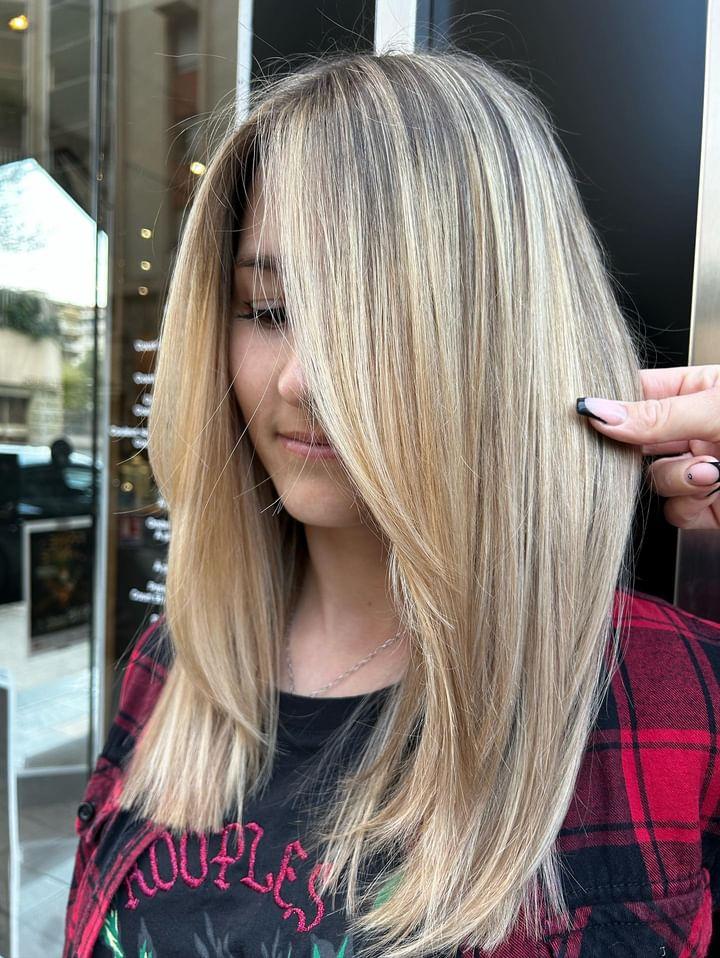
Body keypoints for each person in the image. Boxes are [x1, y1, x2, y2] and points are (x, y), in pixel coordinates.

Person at [64, 48, 720, 958]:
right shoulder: (176, 665)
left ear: (502, 338)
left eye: (375, 318)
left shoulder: (677, 700)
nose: (301, 379)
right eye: (268, 309)